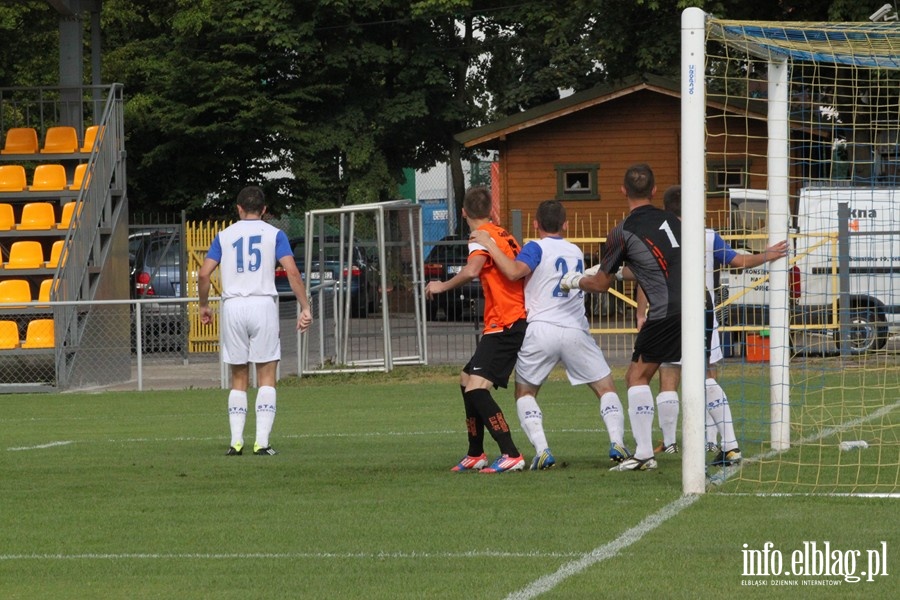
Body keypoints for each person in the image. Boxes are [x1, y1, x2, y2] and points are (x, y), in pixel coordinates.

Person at [560, 163, 709, 471]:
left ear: (622, 191)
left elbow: (602, 285)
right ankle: (728, 443)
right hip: (700, 304)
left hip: (668, 310)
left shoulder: (623, 231)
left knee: (636, 377)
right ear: (654, 191)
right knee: (703, 374)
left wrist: (575, 280)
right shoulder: (676, 220)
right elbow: (653, 265)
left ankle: (643, 454)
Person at [470, 200, 629, 470]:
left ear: (535, 223)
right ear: (565, 224)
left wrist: (489, 243)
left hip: (540, 328)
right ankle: (617, 442)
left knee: (525, 393)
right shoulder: (575, 250)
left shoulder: (535, 247)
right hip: (575, 328)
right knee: (605, 389)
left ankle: (543, 450)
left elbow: (512, 272)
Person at [638, 185, 788, 466]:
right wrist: (767, 255)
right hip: (702, 313)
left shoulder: (656, 238)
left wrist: (640, 312)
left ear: (665, 209)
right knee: (708, 377)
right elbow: (739, 261)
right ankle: (716, 440)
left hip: (667, 315)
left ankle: (669, 443)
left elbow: (646, 276)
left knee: (668, 378)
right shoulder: (707, 236)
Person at [198, 186, 313, 456]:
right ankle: (262, 443)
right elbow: (292, 271)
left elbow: (204, 275)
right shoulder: (275, 234)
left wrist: (204, 305)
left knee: (238, 377)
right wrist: (305, 306)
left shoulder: (224, 236)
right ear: (264, 210)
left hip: (233, 306)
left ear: (238, 209)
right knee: (266, 376)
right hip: (262, 304)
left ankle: (235, 443)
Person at [424, 185, 528, 473]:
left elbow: (472, 270)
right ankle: (475, 452)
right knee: (466, 378)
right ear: (491, 209)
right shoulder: (503, 234)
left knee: (476, 388)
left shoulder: (479, 237)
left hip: (506, 322)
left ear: (463, 212)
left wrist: (440, 286)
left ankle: (511, 453)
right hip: (507, 319)